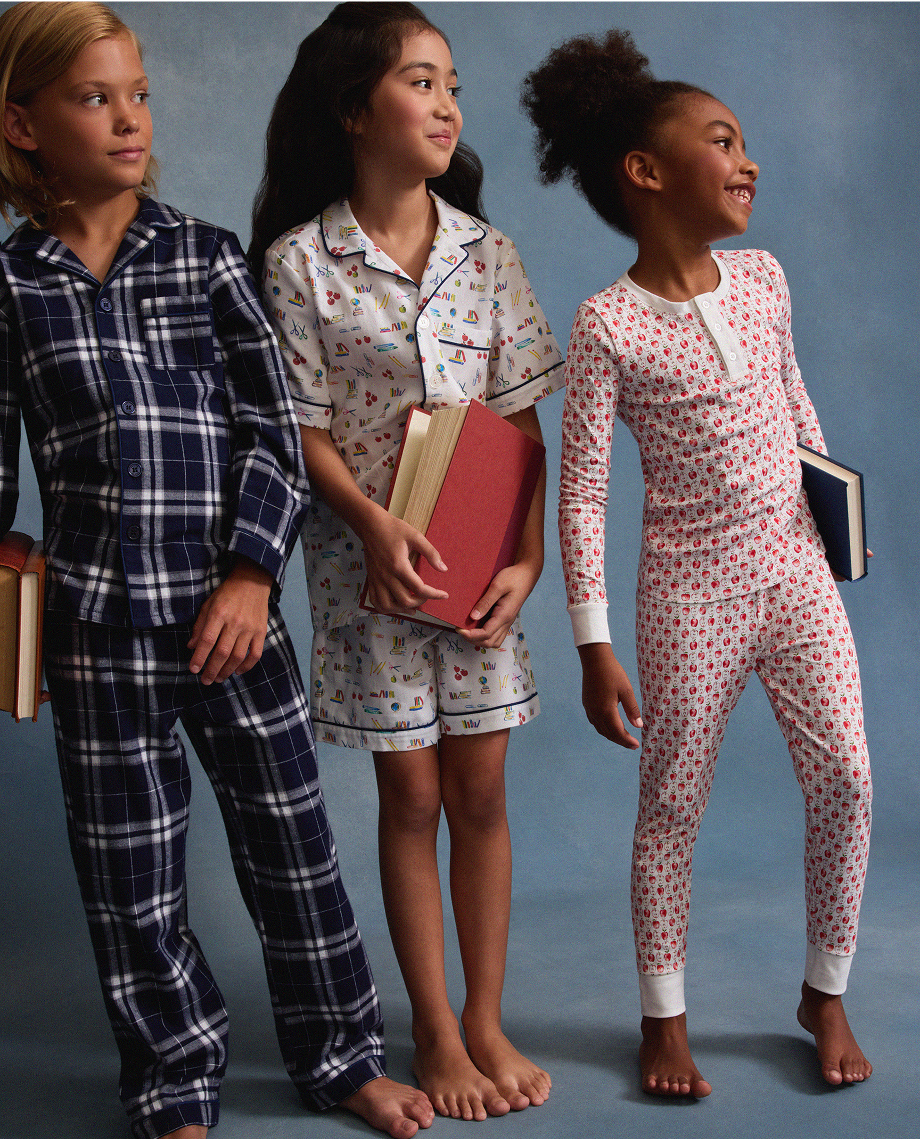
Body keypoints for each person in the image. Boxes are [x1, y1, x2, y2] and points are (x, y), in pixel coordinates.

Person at [0, 3, 435, 1137]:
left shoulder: (201, 256)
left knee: (292, 845)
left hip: (231, 614)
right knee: (131, 881)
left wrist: (251, 574)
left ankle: (341, 1053)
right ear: (24, 122)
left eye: (136, 92)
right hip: (96, 629)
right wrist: (11, 589)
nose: (129, 116)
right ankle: (173, 1081)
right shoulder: (12, 289)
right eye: (95, 98)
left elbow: (274, 431)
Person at [522, 29, 873, 1097]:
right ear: (646, 172)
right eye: (720, 140)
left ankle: (823, 989)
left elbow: (794, 399)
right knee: (671, 801)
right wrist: (592, 641)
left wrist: (832, 519)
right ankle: (661, 1016)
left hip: (795, 567)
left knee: (849, 779)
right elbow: (580, 492)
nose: (747, 159)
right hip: (688, 592)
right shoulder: (606, 324)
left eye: (744, 141)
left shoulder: (763, 278)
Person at [250, 1, 563, 1123]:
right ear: (353, 108)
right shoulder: (300, 263)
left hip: (480, 566)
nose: (446, 104)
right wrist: (372, 525)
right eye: (419, 81)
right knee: (413, 792)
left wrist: (526, 559)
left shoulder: (491, 254)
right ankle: (430, 1024)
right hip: (373, 575)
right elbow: (304, 428)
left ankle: (484, 1015)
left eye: (451, 84)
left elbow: (523, 420)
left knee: (480, 788)